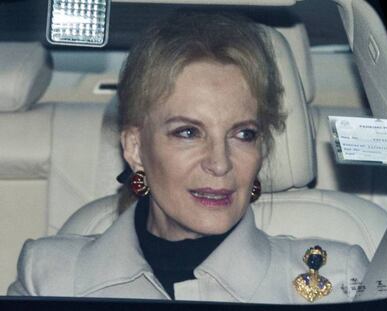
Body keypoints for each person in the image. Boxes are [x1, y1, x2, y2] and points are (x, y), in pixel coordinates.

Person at [8, 13, 368, 304]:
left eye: (243, 134)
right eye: (188, 132)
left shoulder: (339, 282)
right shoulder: (49, 277)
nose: (220, 163)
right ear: (135, 148)